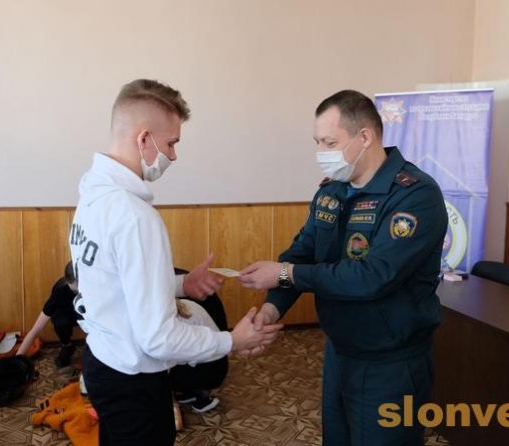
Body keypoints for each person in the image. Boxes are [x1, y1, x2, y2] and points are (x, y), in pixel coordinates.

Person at [69, 79, 283, 446]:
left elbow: (116, 282)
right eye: (171, 143)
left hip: (103, 362)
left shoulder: (92, 194)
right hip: (133, 380)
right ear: (144, 138)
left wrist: (182, 285)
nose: (173, 155)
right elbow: (158, 338)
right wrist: (231, 340)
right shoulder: (134, 216)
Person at [239, 89, 448, 446]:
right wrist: (272, 309)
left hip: (390, 364)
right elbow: (301, 254)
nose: (321, 152)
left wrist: (286, 274)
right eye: (318, 142)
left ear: (364, 137)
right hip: (339, 352)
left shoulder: (415, 195)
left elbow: (372, 277)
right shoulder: (332, 191)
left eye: (330, 142)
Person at [171, 268, 229, 414]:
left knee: (160, 372)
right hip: (208, 361)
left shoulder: (178, 319)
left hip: (212, 367)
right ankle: (191, 390)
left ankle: (202, 396)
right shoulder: (181, 305)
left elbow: (176, 355)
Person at [17, 261, 80, 367]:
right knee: (59, 321)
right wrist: (16, 360)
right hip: (69, 316)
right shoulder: (60, 290)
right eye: (74, 291)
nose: (77, 293)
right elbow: (35, 330)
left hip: (89, 318)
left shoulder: (98, 286)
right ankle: (67, 345)